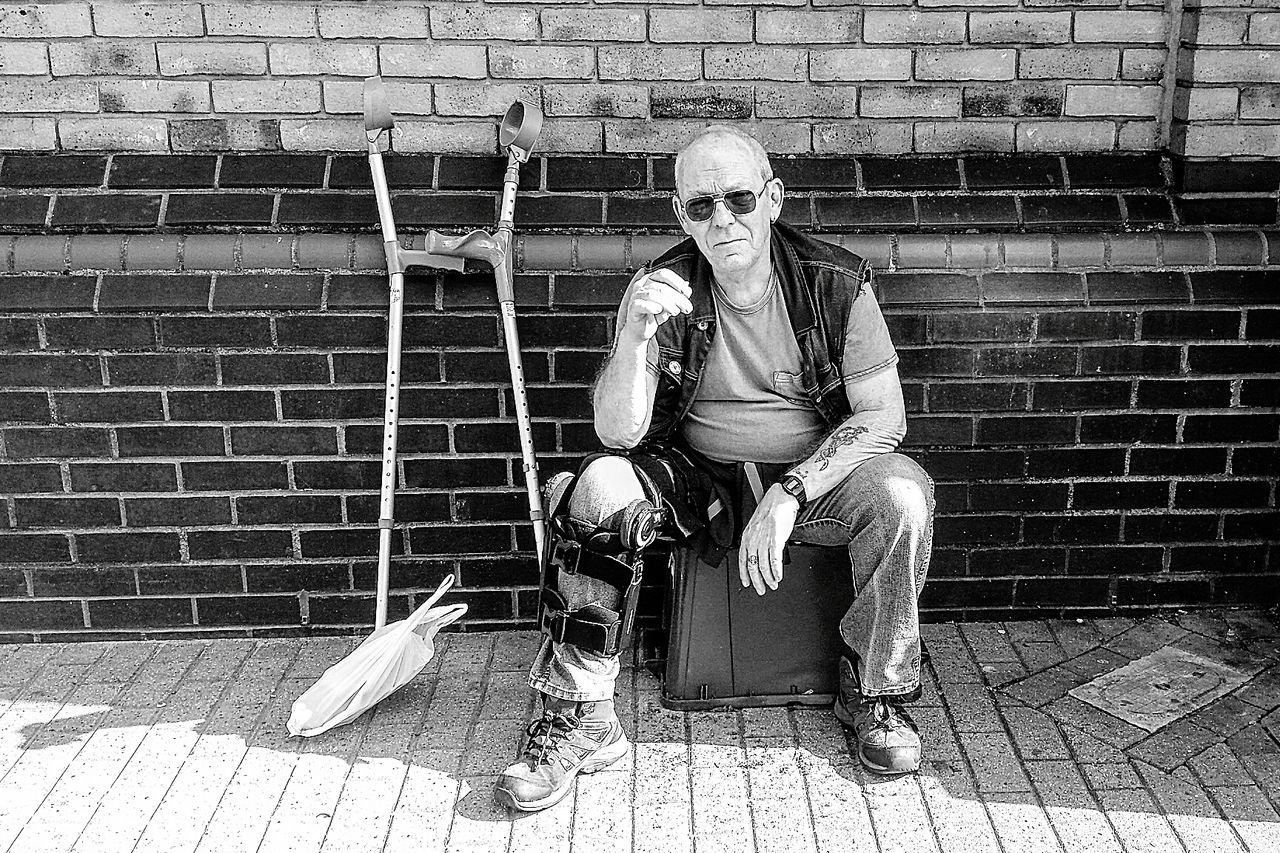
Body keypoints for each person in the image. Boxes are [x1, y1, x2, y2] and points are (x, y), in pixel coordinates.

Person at [494, 124, 935, 812]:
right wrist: (634, 334)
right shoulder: (659, 290)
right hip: (698, 479)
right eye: (702, 205)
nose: (723, 219)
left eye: (738, 199)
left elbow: (883, 416)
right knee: (597, 485)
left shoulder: (836, 284)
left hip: (810, 480)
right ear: (681, 214)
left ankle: (875, 692)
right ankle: (582, 715)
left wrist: (790, 490)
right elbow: (618, 431)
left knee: (903, 491)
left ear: (774, 199)